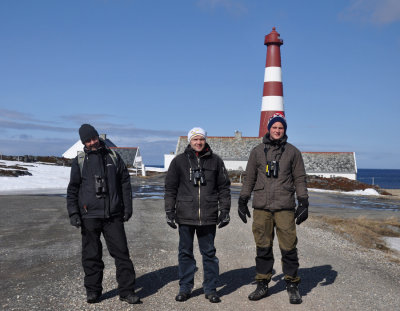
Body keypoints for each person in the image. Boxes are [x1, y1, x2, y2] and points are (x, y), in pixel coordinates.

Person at [237, 113, 309, 304]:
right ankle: (262, 283)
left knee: (289, 247)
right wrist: (243, 199)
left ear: (284, 130)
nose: (278, 131)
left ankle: (292, 284)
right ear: (269, 129)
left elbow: (300, 178)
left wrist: (303, 201)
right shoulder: (257, 151)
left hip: (285, 207)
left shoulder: (293, 152)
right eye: (275, 127)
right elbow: (249, 177)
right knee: (263, 247)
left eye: (281, 128)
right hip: (262, 207)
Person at [67, 124, 140, 304]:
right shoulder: (80, 161)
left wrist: (127, 208)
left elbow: (125, 183)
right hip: (89, 216)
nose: (92, 142)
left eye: (93, 138)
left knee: (122, 254)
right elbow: (73, 189)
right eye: (87, 140)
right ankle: (93, 291)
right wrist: (74, 213)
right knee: (91, 255)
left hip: (113, 215)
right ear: (83, 142)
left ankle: (127, 291)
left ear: (97, 137)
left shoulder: (113, 156)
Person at [164, 127, 231, 303]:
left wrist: (225, 211)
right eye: (195, 139)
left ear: (205, 140)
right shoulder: (179, 162)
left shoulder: (216, 161)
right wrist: (169, 211)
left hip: (208, 215)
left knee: (209, 253)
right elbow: (170, 188)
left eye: (201, 139)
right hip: (185, 215)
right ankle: (185, 288)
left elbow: (224, 188)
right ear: (189, 141)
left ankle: (210, 289)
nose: (198, 142)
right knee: (185, 252)